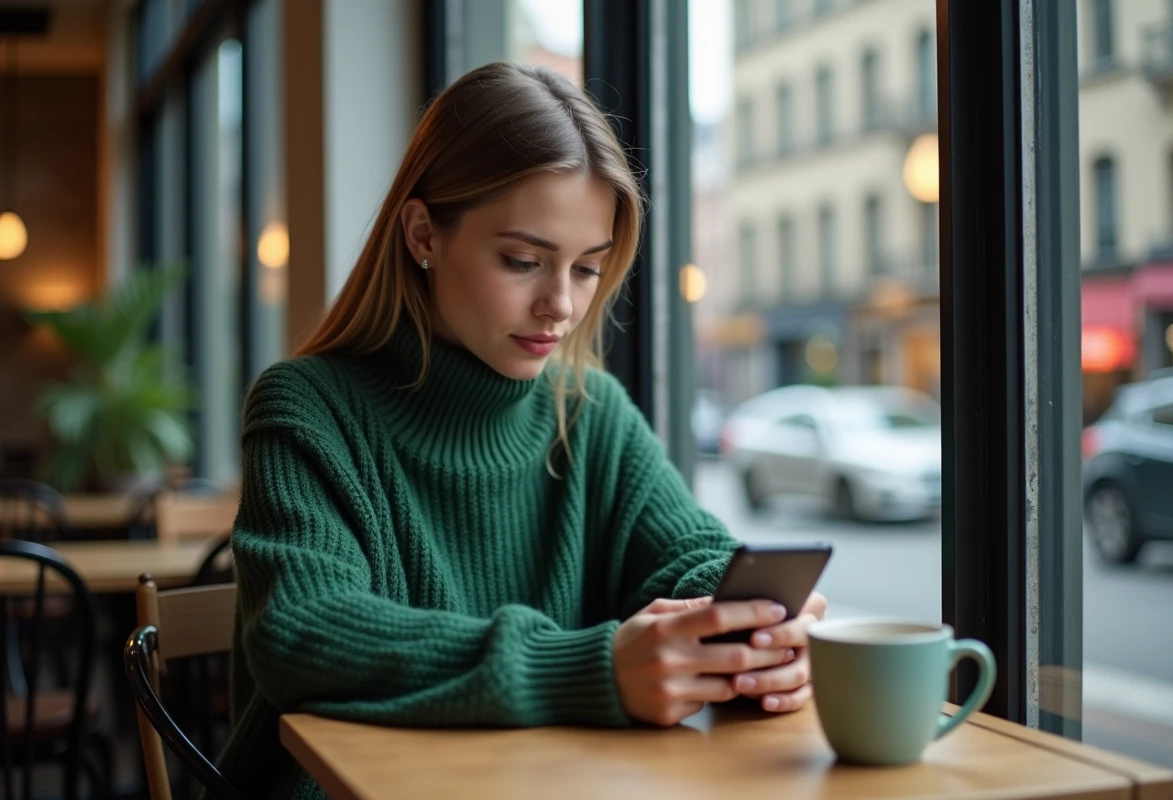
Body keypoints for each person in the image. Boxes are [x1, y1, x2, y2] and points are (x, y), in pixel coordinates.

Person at [218, 62, 827, 798]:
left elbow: (690, 551)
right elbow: (303, 634)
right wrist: (596, 669)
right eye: (523, 261)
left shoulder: (591, 412)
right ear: (422, 234)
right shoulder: (308, 408)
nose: (560, 306)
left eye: (585, 269)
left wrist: (741, 622)